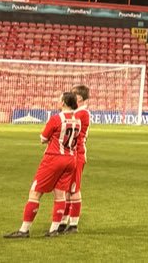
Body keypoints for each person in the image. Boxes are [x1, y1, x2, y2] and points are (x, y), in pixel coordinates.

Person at [4, 92, 83, 239]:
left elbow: (43, 138)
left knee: (35, 192)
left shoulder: (56, 119)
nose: (58, 101)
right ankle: (53, 229)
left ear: (64, 102)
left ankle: (24, 230)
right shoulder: (77, 120)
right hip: (71, 159)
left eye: (60, 99)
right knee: (60, 194)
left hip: (54, 159)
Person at [59, 85, 91, 234]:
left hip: (77, 154)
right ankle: (64, 221)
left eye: (73, 95)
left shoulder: (81, 113)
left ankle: (73, 224)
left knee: (74, 189)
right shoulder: (79, 113)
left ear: (78, 98)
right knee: (67, 188)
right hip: (72, 154)